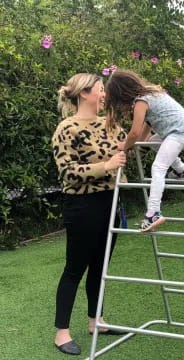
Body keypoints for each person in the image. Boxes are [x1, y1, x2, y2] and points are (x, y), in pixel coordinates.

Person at [52, 73, 127, 355]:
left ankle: (97, 321)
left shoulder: (110, 124)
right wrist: (106, 166)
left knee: (100, 267)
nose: (104, 93)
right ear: (84, 93)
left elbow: (128, 146)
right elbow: (67, 171)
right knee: (75, 269)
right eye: (100, 89)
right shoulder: (66, 128)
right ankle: (62, 333)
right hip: (82, 206)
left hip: (112, 202)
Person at [104, 70, 184, 232]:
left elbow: (134, 132)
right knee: (154, 141)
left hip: (179, 133)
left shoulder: (141, 101)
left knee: (158, 168)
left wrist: (125, 146)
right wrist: (136, 146)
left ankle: (153, 213)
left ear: (122, 94)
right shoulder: (152, 94)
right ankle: (181, 171)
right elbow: (146, 128)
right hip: (180, 132)